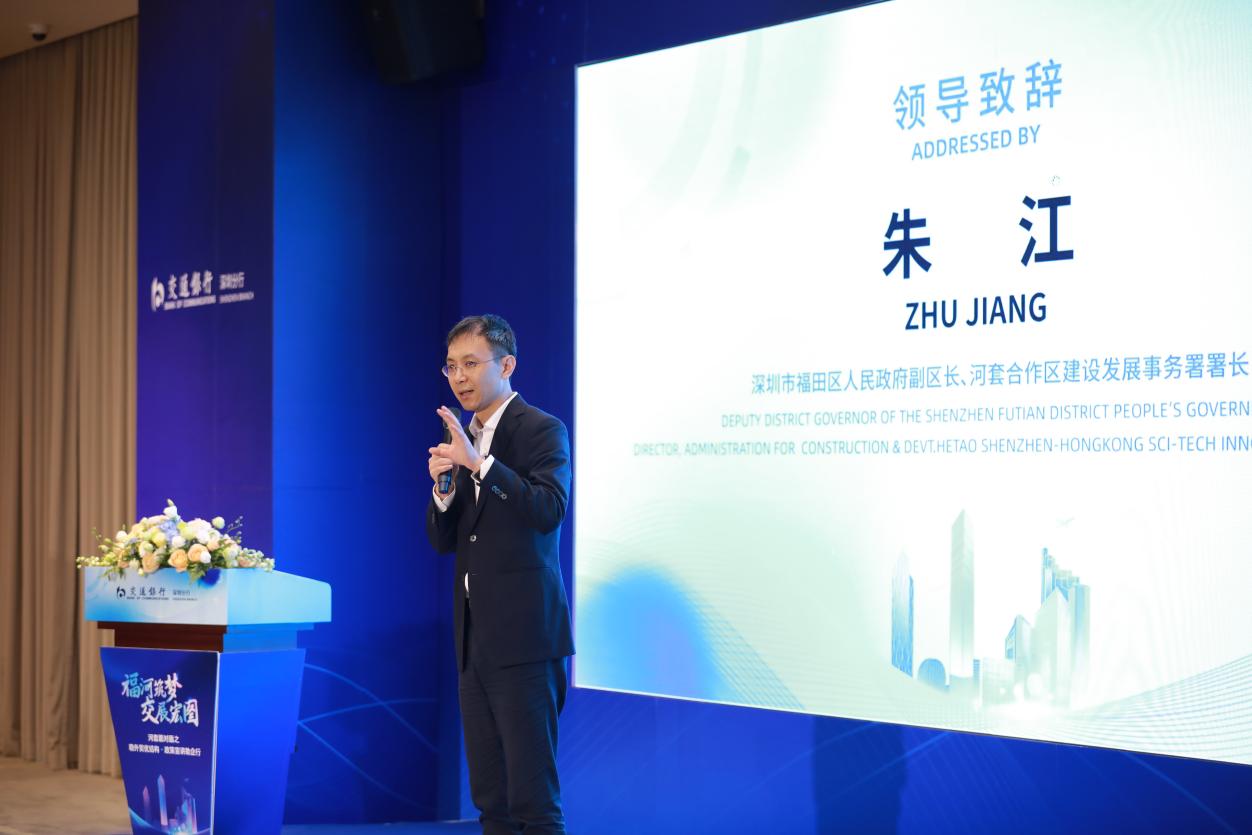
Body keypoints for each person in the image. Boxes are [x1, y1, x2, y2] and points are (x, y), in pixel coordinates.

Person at [426, 314, 574, 835]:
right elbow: (445, 542)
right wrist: (443, 489)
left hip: (526, 641)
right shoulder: (462, 436)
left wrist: (481, 467)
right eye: (451, 366)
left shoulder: (541, 429)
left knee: (533, 802)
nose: (459, 377)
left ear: (506, 365)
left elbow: (548, 510)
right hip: (474, 643)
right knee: (492, 800)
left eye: (471, 363)